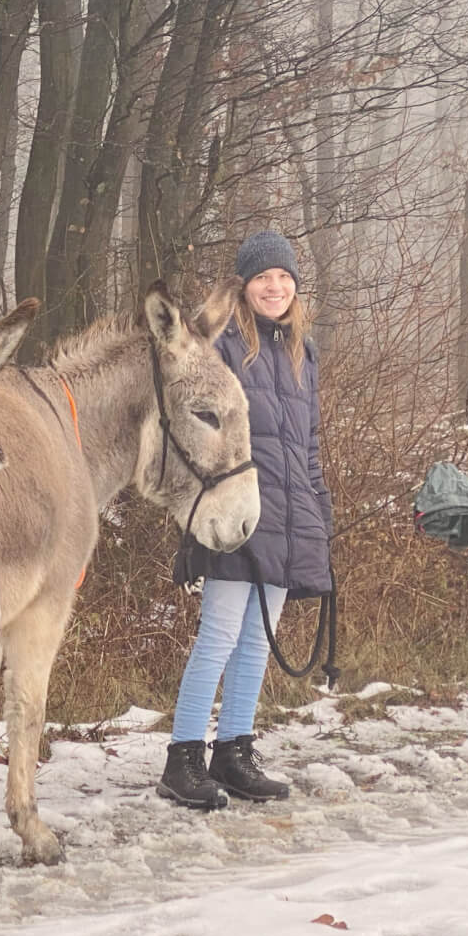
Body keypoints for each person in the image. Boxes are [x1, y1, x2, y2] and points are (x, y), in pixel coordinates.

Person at [159, 230, 334, 811]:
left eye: (284, 277)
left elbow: (307, 449)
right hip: (236, 511)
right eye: (264, 278)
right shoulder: (226, 348)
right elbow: (199, 436)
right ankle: (183, 757)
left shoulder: (303, 352)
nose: (275, 287)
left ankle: (233, 751)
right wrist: (193, 525)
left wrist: (319, 512)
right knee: (219, 636)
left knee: (257, 642)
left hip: (290, 517)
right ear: (245, 286)